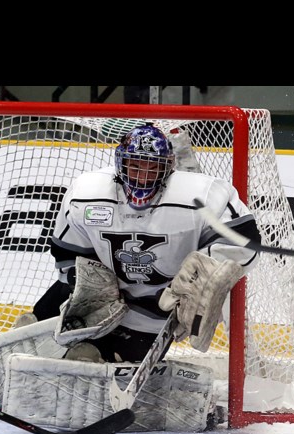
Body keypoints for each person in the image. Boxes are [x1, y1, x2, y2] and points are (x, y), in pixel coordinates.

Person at [43, 123, 260, 363]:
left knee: (112, 362)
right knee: (54, 339)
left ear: (168, 167)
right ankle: (38, 323)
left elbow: (244, 241)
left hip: (157, 309)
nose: (143, 176)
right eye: (135, 165)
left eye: (153, 167)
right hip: (103, 302)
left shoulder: (199, 195)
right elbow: (67, 251)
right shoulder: (87, 193)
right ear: (120, 164)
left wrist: (205, 278)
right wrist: (86, 284)